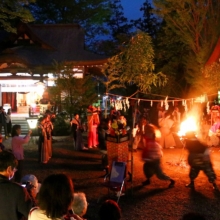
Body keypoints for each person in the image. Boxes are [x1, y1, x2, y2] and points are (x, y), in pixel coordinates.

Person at [0, 150, 33, 220]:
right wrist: (29, 194)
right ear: (9, 169)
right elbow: (31, 214)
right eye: (14, 169)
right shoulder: (17, 190)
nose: (14, 172)